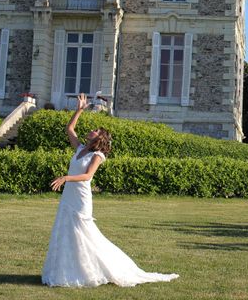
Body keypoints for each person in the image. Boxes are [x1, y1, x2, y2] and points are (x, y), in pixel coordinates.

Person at [42, 94, 179, 287]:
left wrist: (66, 178)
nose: (91, 130)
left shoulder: (97, 155)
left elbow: (88, 176)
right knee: (67, 232)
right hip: (69, 197)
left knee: (85, 235)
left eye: (96, 130)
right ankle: (70, 272)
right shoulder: (80, 149)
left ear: (100, 138)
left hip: (80, 198)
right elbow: (69, 129)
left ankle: (101, 270)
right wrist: (80, 109)